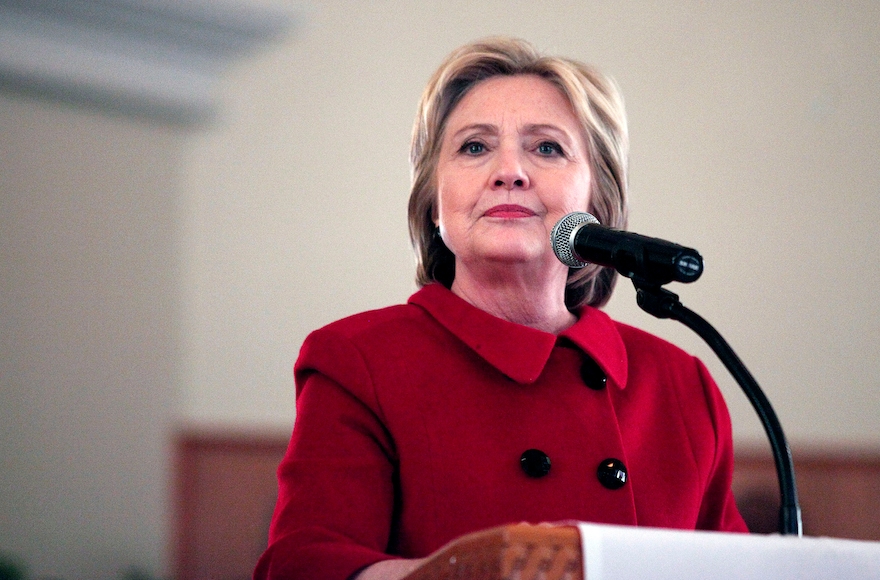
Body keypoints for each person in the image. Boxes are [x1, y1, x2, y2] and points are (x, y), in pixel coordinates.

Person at [254, 36, 748, 580]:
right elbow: (306, 566)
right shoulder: (358, 361)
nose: (509, 170)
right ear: (434, 202)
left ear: (597, 199)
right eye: (473, 147)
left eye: (546, 148)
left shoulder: (682, 384)